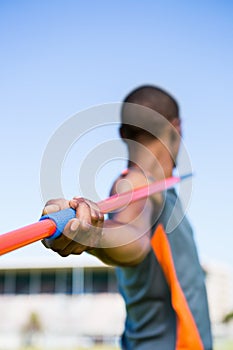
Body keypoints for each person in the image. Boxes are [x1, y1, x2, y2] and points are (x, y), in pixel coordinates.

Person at [42, 85, 213, 349]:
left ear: (123, 133)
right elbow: (132, 232)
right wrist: (94, 234)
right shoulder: (135, 184)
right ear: (176, 127)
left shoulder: (160, 191)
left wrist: (95, 235)